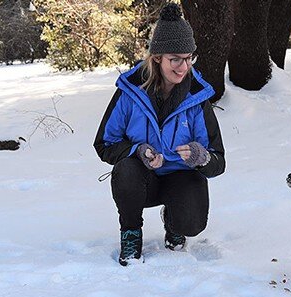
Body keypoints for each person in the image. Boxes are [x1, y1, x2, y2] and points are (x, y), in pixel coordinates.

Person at [93, 3, 225, 266]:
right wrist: (137, 150)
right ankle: (131, 232)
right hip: (143, 182)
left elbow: (218, 161)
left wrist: (201, 157)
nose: (184, 66)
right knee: (126, 170)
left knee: (193, 223)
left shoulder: (197, 98)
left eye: (189, 58)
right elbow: (104, 144)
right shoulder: (130, 93)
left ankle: (174, 221)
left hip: (180, 178)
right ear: (156, 58)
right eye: (175, 59)